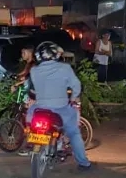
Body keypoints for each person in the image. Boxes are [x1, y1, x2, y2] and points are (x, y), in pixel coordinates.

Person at [27, 42, 91, 170]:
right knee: (73, 133)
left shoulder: (33, 70)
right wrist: (73, 98)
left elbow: (31, 90)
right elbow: (76, 86)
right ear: (55, 55)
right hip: (61, 109)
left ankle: (33, 140)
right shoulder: (65, 68)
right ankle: (83, 163)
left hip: (40, 109)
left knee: (29, 120)